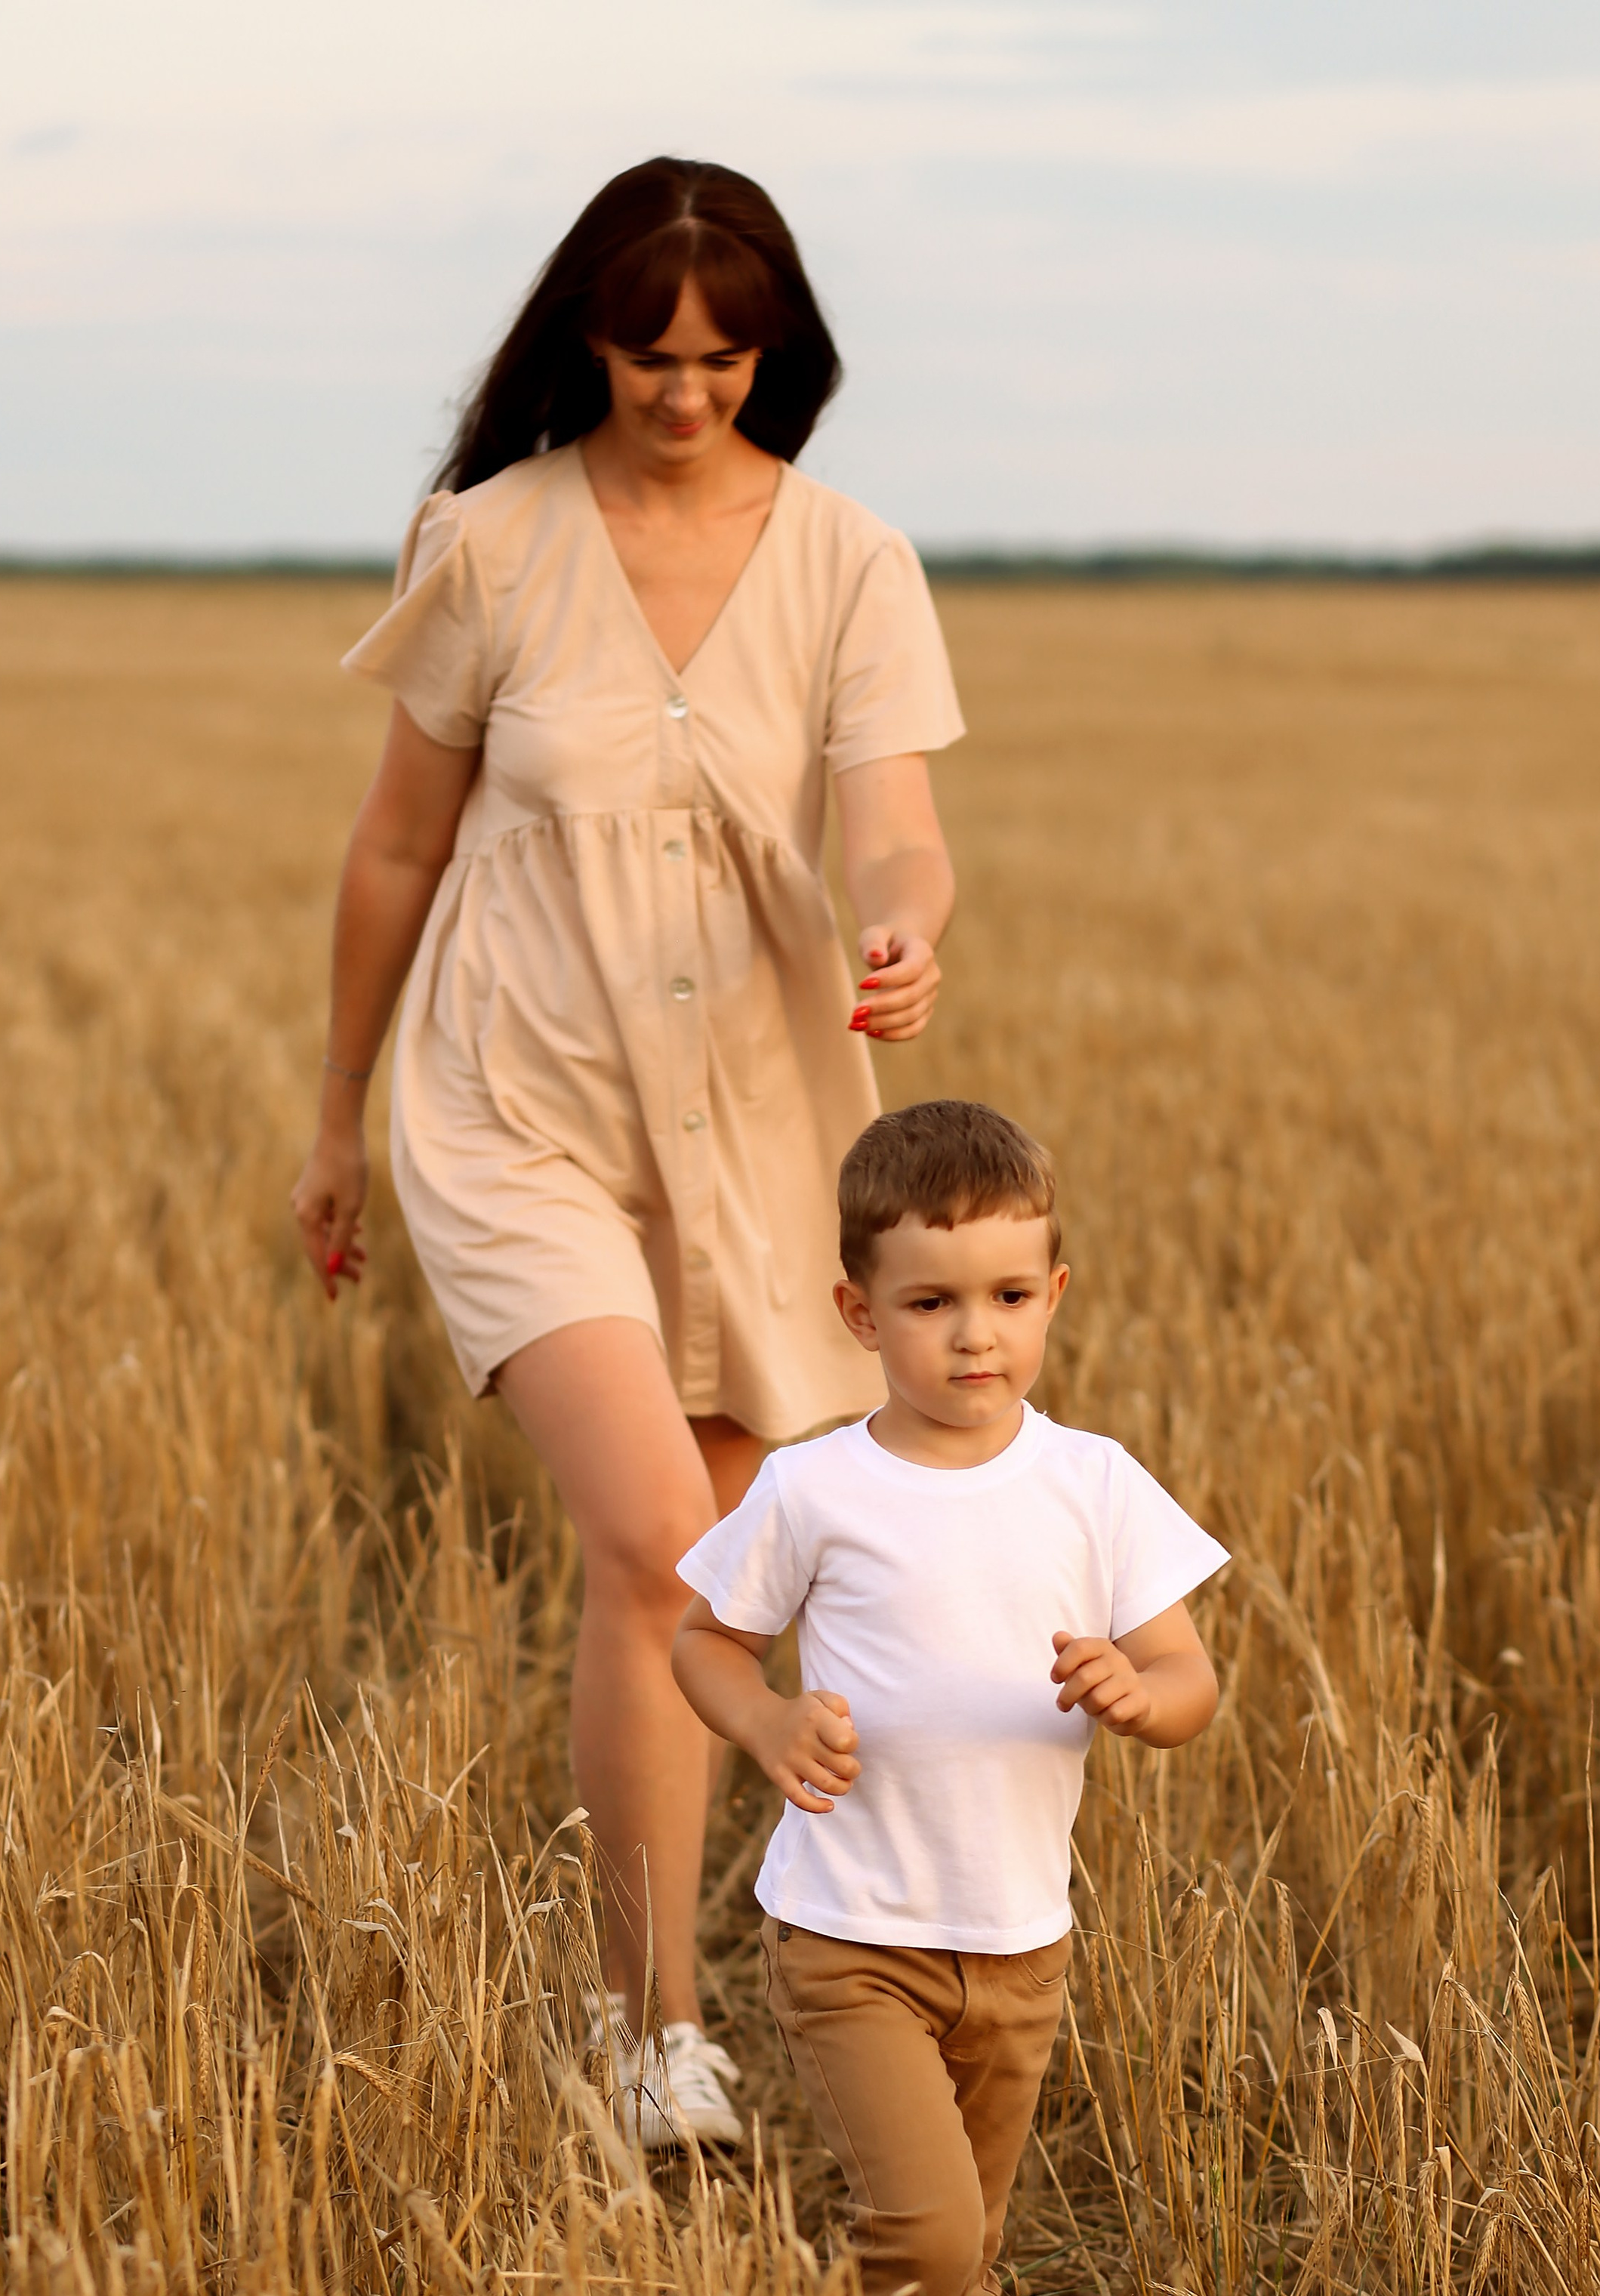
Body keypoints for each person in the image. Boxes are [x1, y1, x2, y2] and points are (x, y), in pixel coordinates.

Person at [289, 160, 963, 2148]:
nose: (684, 391)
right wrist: (336, 1116)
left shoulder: (849, 557)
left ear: (778, 347)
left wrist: (908, 916)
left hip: (761, 1122)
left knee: (705, 1591)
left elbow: (892, 815)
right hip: (518, 1106)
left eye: (723, 354)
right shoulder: (490, 543)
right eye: (648, 352)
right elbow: (399, 841)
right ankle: (649, 2029)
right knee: (656, 1538)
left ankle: (664, 1998)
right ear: (586, 333)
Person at [671, 1101, 1227, 2296]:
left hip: (1020, 1949)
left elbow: (1192, 1678)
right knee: (919, 2233)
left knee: (963, 2269)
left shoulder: (1091, 1483)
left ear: (1055, 1294)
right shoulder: (813, 1487)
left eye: (1006, 1297)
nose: (974, 1336)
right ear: (861, 1313)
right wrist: (770, 1724)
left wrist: (1136, 1692)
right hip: (854, 1935)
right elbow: (702, 1646)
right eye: (930, 1303)